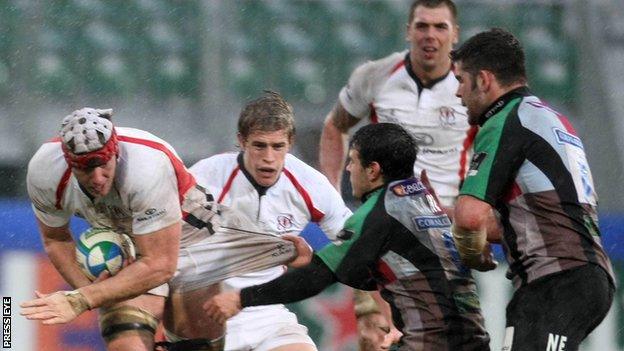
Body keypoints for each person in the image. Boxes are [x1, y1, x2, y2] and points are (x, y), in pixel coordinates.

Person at [21, 107, 302, 351]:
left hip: (193, 239)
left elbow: (160, 264)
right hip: (129, 241)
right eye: (85, 169)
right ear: (69, 164)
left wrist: (80, 300)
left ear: (115, 152)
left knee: (193, 345)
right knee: (125, 341)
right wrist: (88, 293)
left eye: (103, 165)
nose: (97, 178)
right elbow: (56, 239)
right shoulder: (44, 171)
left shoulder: (146, 167)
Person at [205, 123, 491, 351]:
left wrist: (243, 298)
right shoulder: (422, 199)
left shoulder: (380, 213)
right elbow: (367, 272)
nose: (349, 169)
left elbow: (317, 278)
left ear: (373, 170)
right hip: (473, 339)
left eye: (353, 161)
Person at [318, 1, 474, 347]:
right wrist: (331, 195)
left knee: (442, 336)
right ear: (408, 30)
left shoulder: (470, 88)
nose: (429, 36)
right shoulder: (375, 76)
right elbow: (335, 127)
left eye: (439, 27)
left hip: (443, 232)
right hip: (384, 226)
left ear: (455, 35)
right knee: (377, 333)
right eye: (421, 26)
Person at [450, 28, 616, 350]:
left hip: (556, 280)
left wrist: (472, 251)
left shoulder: (505, 121)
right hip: (582, 276)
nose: (458, 93)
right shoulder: (553, 119)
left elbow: (469, 218)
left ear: (484, 80)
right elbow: (536, 217)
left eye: (460, 80)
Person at [189, 91, 352, 351]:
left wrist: (371, 312)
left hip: (266, 312)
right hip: (207, 313)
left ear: (290, 142)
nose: (268, 157)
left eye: (278, 146)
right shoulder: (203, 179)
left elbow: (356, 248)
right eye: (259, 145)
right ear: (241, 141)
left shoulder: (310, 185)